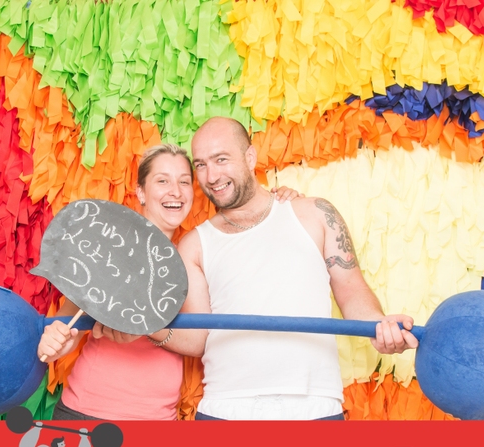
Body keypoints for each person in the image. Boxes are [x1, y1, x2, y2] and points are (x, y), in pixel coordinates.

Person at [99, 117, 419, 421]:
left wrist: (379, 327)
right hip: (225, 408)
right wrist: (137, 321)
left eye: (221, 159)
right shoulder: (194, 245)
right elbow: (196, 338)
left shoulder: (315, 213)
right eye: (201, 165)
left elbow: (350, 288)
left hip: (313, 406)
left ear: (250, 157)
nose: (211, 176)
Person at [36, 143, 300, 420]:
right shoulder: (108, 247)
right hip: (87, 413)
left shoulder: (192, 256)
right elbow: (68, 329)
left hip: (158, 421)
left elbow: (198, 342)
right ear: (141, 192)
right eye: (162, 181)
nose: (175, 191)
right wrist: (55, 344)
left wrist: (278, 204)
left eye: (184, 182)